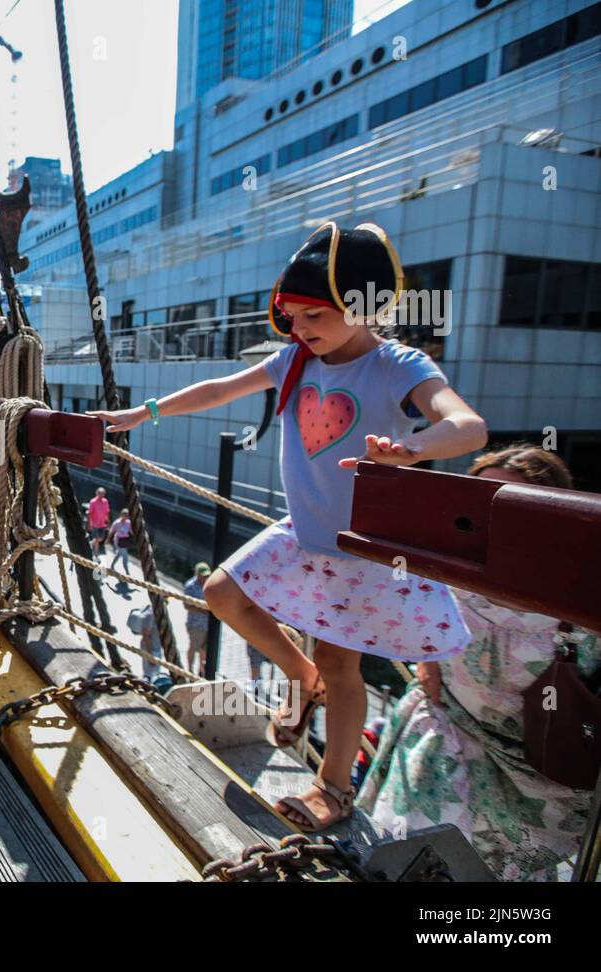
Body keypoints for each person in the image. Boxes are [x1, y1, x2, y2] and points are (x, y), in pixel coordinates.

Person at [90, 221, 489, 831]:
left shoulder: (397, 365)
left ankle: (332, 787)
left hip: (365, 549)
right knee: (222, 593)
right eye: (292, 317)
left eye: (314, 316)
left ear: (363, 307)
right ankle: (299, 676)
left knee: (341, 663)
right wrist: (143, 413)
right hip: (305, 532)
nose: (300, 330)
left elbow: (467, 427)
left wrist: (411, 448)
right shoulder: (297, 360)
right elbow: (223, 387)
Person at [360, 445, 600, 880]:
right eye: (483, 500)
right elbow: (391, 580)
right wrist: (383, 474)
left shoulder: (584, 599)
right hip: (451, 731)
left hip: (543, 773)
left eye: (509, 503)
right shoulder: (450, 568)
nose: (493, 520)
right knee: (409, 852)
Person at [182, 562, 212, 676]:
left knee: (204, 650)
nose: (206, 577)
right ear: (197, 574)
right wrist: (203, 610)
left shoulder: (209, 584)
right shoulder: (190, 586)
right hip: (196, 624)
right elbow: (187, 605)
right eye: (203, 575)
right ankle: (189, 669)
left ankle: (201, 670)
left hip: (208, 624)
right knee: (194, 647)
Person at [86, 486, 110, 557]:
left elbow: (107, 512)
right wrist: (89, 524)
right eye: (99, 493)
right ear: (96, 493)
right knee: (96, 539)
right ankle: (96, 555)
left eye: (102, 493)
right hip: (95, 524)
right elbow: (90, 513)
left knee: (100, 539)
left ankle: (90, 543)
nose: (101, 494)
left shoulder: (105, 501)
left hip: (102, 524)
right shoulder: (93, 502)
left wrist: (108, 523)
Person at [109, 508, 133, 577]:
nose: (126, 517)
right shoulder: (117, 522)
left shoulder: (128, 522)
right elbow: (111, 531)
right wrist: (108, 540)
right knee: (125, 556)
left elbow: (130, 530)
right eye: (124, 515)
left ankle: (112, 565)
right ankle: (127, 572)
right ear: (121, 515)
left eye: (127, 515)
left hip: (124, 541)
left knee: (119, 554)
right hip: (118, 540)